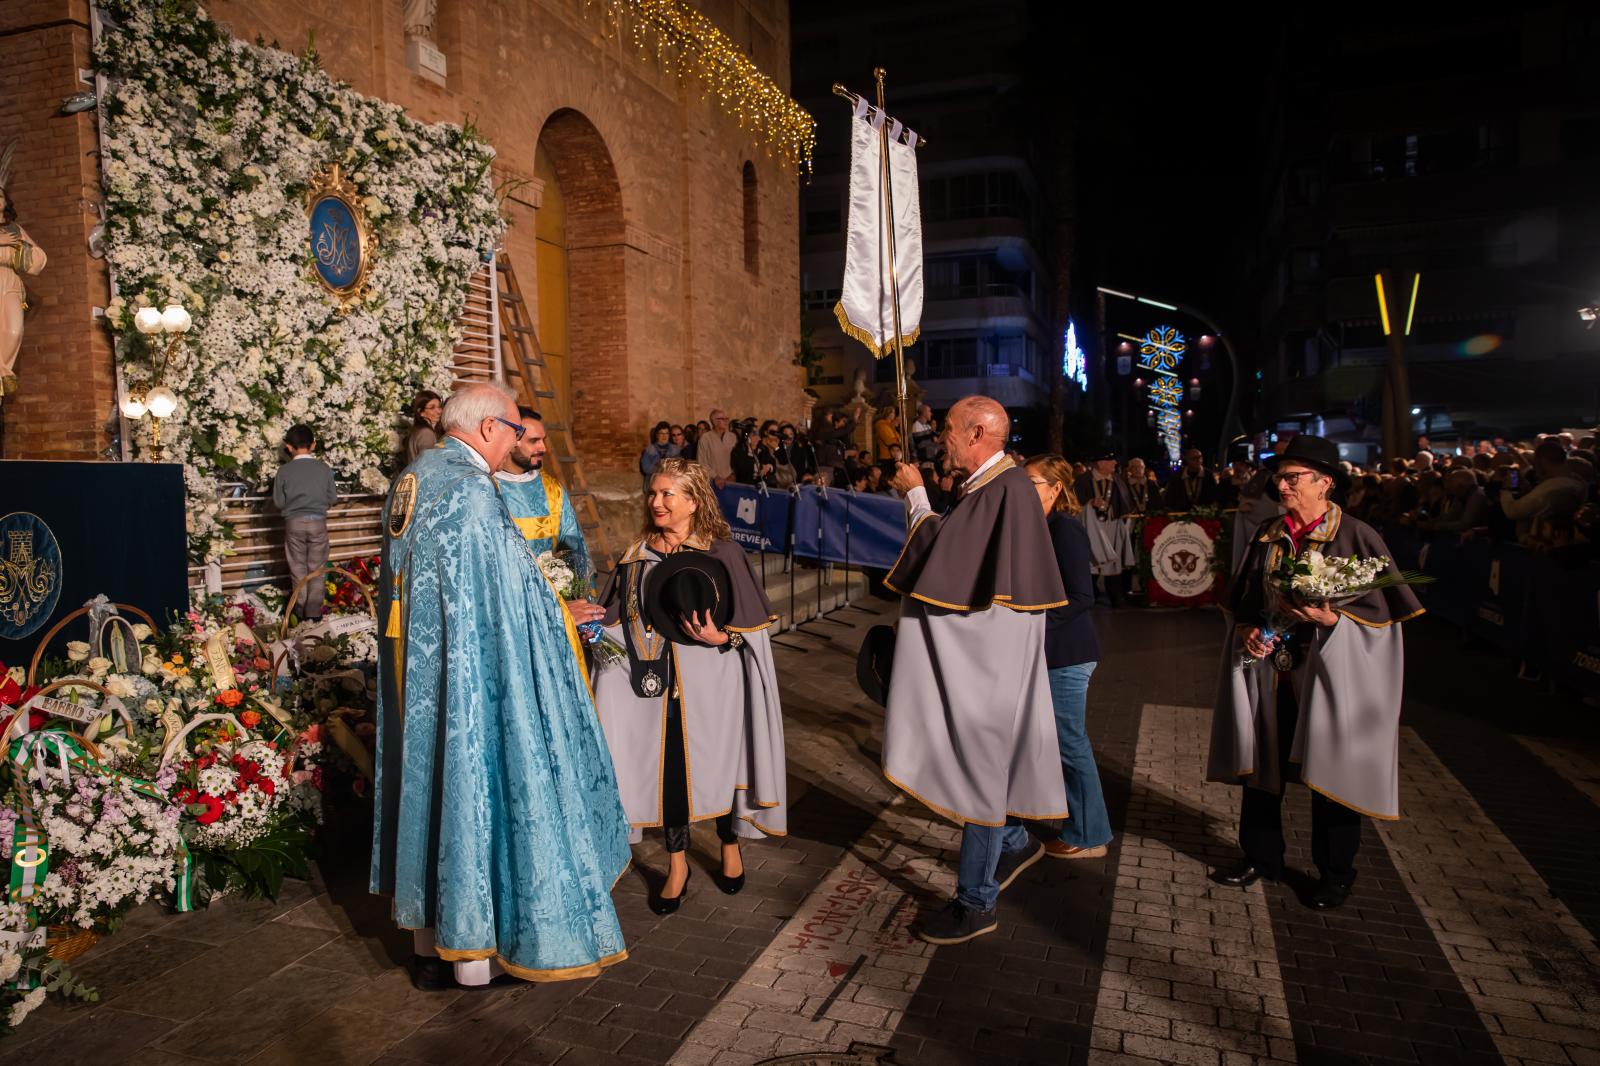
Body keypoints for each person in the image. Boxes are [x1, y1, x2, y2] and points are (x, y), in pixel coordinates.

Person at [372, 382, 630, 988]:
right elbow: (510, 597)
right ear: (489, 428)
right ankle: (476, 957)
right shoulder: (470, 492)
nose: (516, 440)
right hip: (468, 674)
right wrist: (564, 614)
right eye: (515, 429)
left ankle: (430, 948)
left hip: (421, 672)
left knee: (432, 789)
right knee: (473, 788)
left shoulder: (415, 477)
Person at [1208, 434, 1424, 910]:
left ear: (1325, 482)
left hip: (1329, 678)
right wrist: (1246, 629)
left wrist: (1335, 620)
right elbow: (1242, 600)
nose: (1282, 485)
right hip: (1272, 674)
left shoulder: (1358, 536)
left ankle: (1336, 873)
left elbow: (1386, 616)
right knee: (1263, 770)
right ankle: (1260, 858)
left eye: (1292, 477)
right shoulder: (1267, 534)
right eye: (1279, 477)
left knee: (1334, 775)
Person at [884, 396, 1069, 944]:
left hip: (987, 664)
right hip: (990, 655)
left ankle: (976, 902)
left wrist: (915, 495)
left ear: (977, 433)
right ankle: (1013, 842)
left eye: (946, 429)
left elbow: (941, 563)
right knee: (987, 769)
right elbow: (955, 557)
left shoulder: (1002, 488)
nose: (940, 437)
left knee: (981, 774)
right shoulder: (995, 487)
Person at [590, 458, 786, 914]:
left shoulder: (722, 553)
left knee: (718, 766)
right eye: (653, 494)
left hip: (713, 684)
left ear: (693, 501)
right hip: (652, 688)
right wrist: (594, 629)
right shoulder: (637, 554)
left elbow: (754, 629)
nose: (656, 502)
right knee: (672, 773)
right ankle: (678, 864)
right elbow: (619, 618)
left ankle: (728, 844)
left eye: (667, 495)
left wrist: (727, 636)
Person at [1025, 455, 1112, 860]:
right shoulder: (1039, 526)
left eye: (1033, 483)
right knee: (1054, 741)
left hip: (1068, 653)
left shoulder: (1065, 528)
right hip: (1050, 651)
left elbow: (1081, 596)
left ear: (1056, 488)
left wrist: (1031, 627)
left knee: (1069, 742)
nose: (1025, 490)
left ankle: (1090, 834)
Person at [495, 406, 593, 585]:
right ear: (510, 440)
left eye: (543, 440)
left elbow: (574, 547)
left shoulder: (552, 489)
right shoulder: (489, 489)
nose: (544, 448)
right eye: (534, 441)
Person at [272, 424, 338, 620]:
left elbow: (278, 502)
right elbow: (332, 498)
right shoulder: (324, 468)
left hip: (294, 524)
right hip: (318, 523)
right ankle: (313, 615)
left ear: (289, 447)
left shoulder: (284, 471)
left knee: (298, 570)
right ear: (313, 444)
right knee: (317, 571)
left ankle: (298, 614)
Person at [0, 185, 47, 398]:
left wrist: (20, 249)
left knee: (13, 331)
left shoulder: (14, 229)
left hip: (9, 282)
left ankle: (3, 371)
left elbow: (37, 260)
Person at [1497, 438, 1588, 544]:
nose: (1535, 469)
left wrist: (1507, 489)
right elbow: (1528, 471)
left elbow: (1513, 511)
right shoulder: (1577, 482)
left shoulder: (1550, 489)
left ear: (1543, 461)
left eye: (1536, 463)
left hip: (1540, 546)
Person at [1075, 452, 1135, 606]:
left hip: (1111, 525)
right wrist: (1090, 504)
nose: (1115, 463)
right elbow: (1074, 504)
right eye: (1111, 461)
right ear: (1100, 463)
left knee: (1113, 560)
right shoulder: (1083, 480)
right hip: (1090, 527)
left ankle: (1116, 596)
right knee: (1091, 560)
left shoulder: (1117, 479)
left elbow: (1125, 502)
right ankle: (1089, 595)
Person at [698, 409, 738, 487]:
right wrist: (715, 476)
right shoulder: (705, 438)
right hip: (713, 482)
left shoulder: (733, 437)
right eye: (723, 419)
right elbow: (702, 463)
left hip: (731, 481)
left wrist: (733, 474)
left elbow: (738, 459)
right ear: (714, 421)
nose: (726, 421)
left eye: (727, 419)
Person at [405, 390, 443, 464]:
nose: (439, 411)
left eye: (439, 407)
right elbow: (429, 464)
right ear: (420, 412)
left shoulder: (418, 430)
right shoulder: (426, 433)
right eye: (432, 408)